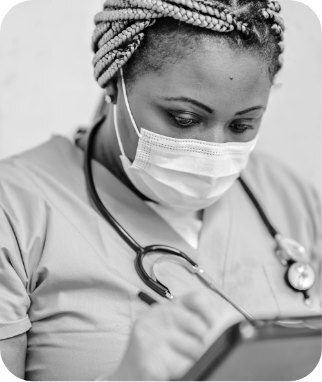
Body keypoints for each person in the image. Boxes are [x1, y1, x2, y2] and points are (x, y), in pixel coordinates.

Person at [0, 0, 321, 380]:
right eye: (184, 119)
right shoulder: (16, 209)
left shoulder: (290, 197)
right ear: (114, 80)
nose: (213, 151)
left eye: (242, 125)